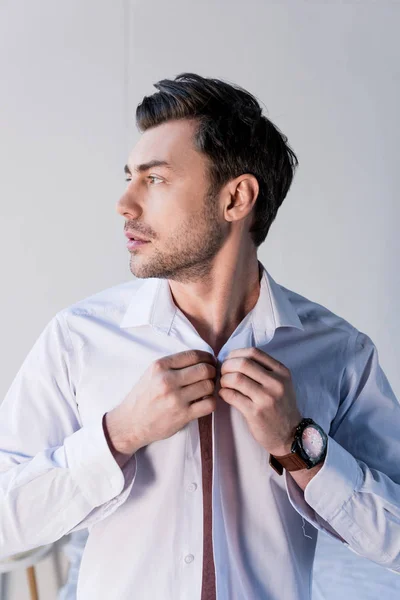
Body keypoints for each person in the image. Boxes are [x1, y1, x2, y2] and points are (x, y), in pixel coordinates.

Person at [0, 72, 399, 600]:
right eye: (129, 177)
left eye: (156, 179)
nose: (125, 203)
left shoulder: (340, 353)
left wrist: (301, 447)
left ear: (236, 198)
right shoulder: (78, 339)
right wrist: (117, 435)